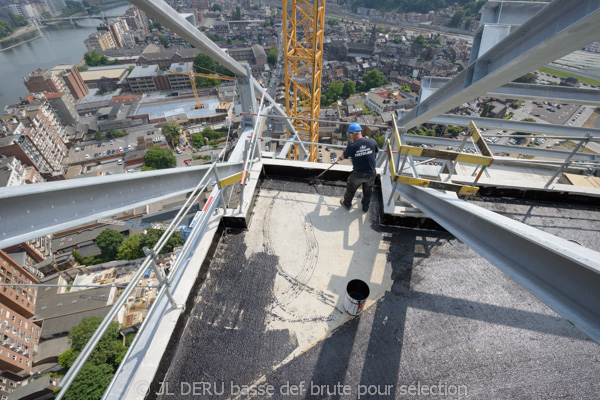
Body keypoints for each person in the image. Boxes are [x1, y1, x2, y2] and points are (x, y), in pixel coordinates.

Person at [339, 122, 379, 212]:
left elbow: (343, 157)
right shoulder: (372, 141)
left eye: (350, 134)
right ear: (360, 132)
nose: (350, 136)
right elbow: (377, 151)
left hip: (358, 174)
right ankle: (365, 207)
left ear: (352, 134)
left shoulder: (352, 146)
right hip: (371, 174)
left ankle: (347, 203)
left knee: (351, 188)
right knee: (368, 191)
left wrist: (340, 158)